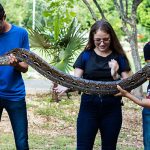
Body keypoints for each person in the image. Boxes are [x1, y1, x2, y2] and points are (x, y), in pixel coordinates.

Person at [54, 19, 131, 149]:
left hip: (112, 109)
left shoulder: (119, 56)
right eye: (98, 40)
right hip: (88, 108)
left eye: (105, 39)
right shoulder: (85, 55)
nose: (102, 43)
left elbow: (130, 86)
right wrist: (66, 86)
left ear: (111, 37)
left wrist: (115, 75)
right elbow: (76, 80)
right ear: (92, 38)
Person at [0, 4, 29, 150]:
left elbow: (25, 68)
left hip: (15, 95)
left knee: (22, 142)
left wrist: (16, 64)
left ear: (3, 17)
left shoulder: (21, 34)